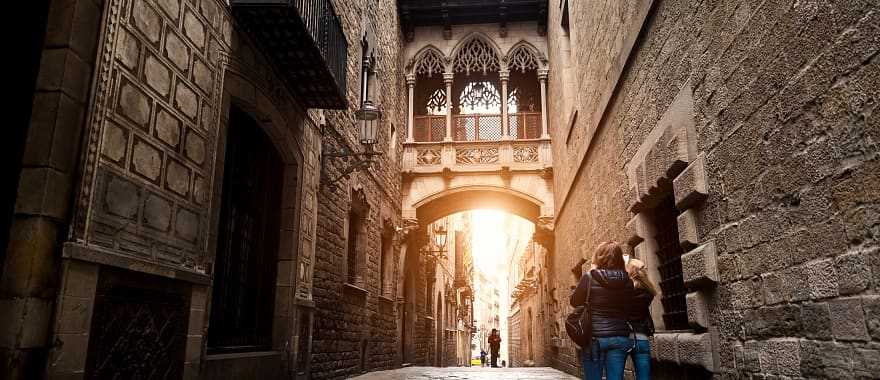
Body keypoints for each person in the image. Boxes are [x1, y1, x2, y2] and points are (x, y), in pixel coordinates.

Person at [570, 241, 654, 380]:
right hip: (619, 337)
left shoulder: (589, 277)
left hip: (594, 338)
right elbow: (628, 306)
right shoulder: (627, 280)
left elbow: (574, 302)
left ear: (598, 257)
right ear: (619, 258)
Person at [625, 258, 658, 380]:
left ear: (630, 272)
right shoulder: (648, 292)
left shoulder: (625, 290)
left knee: (615, 374)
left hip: (624, 336)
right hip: (641, 337)